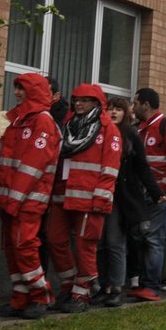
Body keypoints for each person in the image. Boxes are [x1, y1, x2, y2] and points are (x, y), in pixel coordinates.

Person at [44, 83, 123, 313]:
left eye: (85, 100)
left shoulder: (109, 131)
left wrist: (101, 199)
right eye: (76, 99)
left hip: (90, 200)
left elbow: (110, 169)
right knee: (55, 239)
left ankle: (83, 292)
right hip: (63, 195)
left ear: (97, 104)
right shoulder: (69, 126)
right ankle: (70, 284)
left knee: (84, 246)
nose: (78, 103)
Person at [0, 74, 61, 319]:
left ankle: (41, 297)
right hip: (12, 199)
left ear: (34, 92)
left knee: (24, 247)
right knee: (12, 248)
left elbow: (33, 165)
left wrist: (14, 199)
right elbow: (4, 151)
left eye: (21, 89)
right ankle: (20, 298)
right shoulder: (20, 121)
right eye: (17, 88)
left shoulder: (42, 122)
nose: (17, 93)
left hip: (26, 200)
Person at [103, 96, 161, 305]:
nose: (113, 112)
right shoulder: (99, 131)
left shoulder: (131, 134)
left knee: (114, 241)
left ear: (125, 112)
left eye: (118, 109)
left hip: (122, 197)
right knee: (101, 244)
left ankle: (116, 287)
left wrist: (155, 192)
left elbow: (142, 166)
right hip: (100, 193)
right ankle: (103, 285)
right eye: (109, 108)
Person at [132, 88, 166, 300]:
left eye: (135, 102)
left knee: (154, 237)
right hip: (147, 192)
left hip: (162, 193)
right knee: (145, 236)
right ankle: (145, 282)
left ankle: (152, 285)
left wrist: (161, 189)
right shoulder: (142, 129)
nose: (133, 107)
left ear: (145, 104)